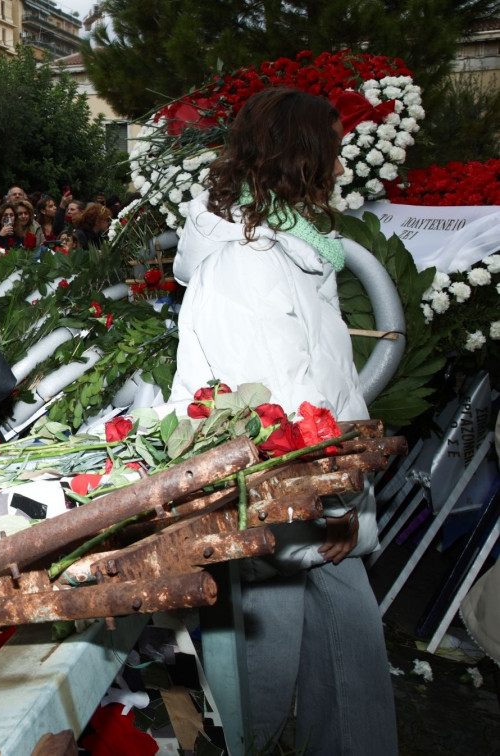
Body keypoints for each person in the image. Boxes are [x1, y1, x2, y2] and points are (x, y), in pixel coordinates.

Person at [169, 87, 396, 755]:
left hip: (314, 504)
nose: (342, 165)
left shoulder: (295, 251)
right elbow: (279, 412)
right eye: (334, 149)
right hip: (283, 510)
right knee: (257, 702)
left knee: (341, 675)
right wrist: (324, 509)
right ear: (302, 156)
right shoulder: (254, 261)